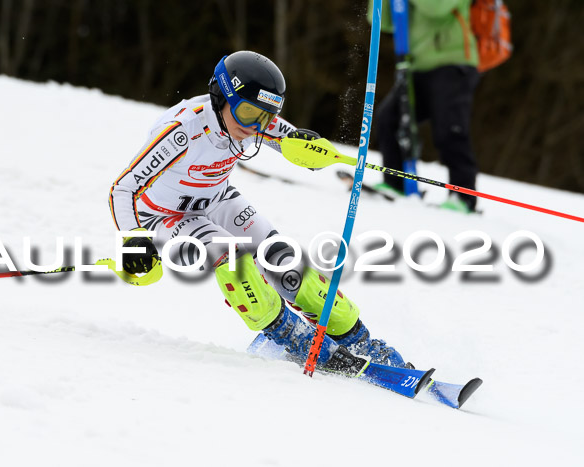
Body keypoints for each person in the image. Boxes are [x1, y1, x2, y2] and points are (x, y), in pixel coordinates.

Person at [109, 51, 409, 373]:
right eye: (248, 112)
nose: (254, 126)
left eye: (264, 117)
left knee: (283, 259)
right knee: (233, 260)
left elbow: (290, 140)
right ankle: (291, 336)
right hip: (166, 216)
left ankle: (360, 340)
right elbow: (123, 188)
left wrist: (317, 152)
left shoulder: (249, 118)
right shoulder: (183, 130)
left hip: (217, 200)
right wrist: (133, 240)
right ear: (220, 95)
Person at [371, 0, 481, 213]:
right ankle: (396, 184)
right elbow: (382, 21)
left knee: (449, 129)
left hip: (453, 63)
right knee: (389, 119)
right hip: (416, 66)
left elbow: (436, 7)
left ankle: (463, 196)